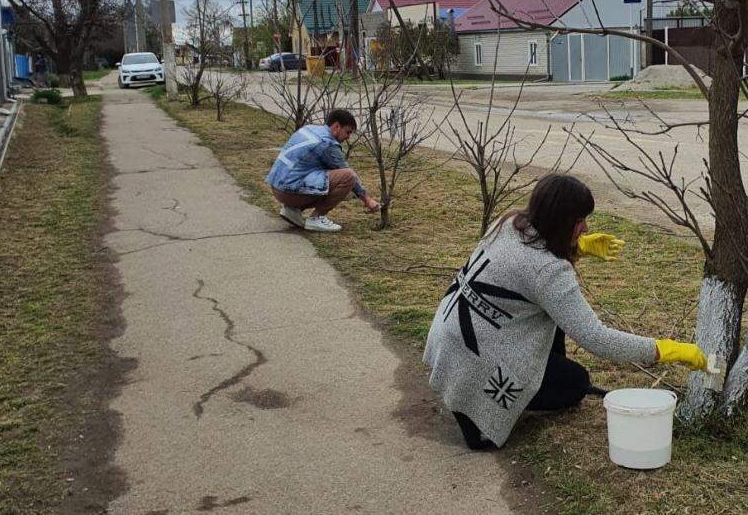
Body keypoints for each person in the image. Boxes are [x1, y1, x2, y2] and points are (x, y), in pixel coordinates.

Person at [423, 174, 708, 450]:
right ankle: (478, 415)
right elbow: (596, 338)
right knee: (576, 384)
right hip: (477, 359)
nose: (585, 228)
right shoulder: (548, 271)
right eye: (579, 221)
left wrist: (577, 249)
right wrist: (667, 350)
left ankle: (474, 392)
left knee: (554, 319)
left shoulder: (508, 223)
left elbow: (521, 269)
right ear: (559, 221)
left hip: (449, 340)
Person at [266, 109, 380, 232]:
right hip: (289, 192)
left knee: (320, 172)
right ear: (336, 126)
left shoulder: (309, 128)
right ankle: (317, 218)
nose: (348, 137)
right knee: (348, 177)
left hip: (276, 186)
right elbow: (346, 172)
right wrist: (367, 200)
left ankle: (292, 210)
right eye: (347, 132)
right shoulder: (327, 144)